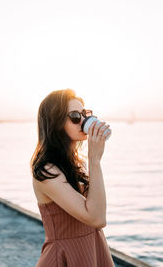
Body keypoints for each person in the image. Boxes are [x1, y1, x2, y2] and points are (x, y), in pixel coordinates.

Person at [30, 88, 115, 267]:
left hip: (92, 248)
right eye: (76, 116)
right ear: (56, 122)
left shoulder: (74, 163)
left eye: (85, 114)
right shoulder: (47, 171)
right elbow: (97, 218)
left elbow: (97, 212)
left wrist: (93, 162)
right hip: (65, 257)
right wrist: (95, 160)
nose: (83, 121)